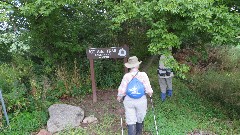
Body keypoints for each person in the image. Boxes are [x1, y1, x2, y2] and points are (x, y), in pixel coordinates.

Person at [117, 56, 153, 135]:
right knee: (140, 118)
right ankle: (139, 133)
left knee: (131, 120)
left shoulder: (126, 76)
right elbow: (149, 90)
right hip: (141, 101)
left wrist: (119, 98)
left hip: (129, 100)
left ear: (129, 66)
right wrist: (150, 94)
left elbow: (122, 90)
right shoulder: (143, 75)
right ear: (137, 65)